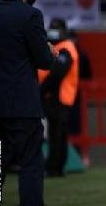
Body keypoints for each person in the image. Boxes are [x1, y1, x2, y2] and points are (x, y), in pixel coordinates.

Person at [0, 0, 55, 206]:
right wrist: (49, 51)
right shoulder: (31, 15)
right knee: (30, 164)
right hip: (22, 108)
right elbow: (44, 61)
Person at [38, 18, 79, 177]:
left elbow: (57, 75)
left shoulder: (66, 49)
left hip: (58, 96)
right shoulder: (61, 47)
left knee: (56, 134)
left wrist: (41, 90)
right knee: (58, 133)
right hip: (59, 96)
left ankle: (54, 167)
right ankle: (57, 167)